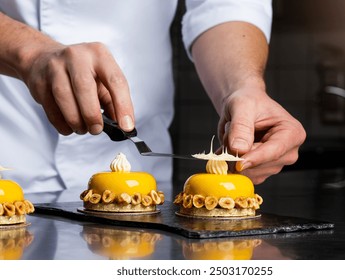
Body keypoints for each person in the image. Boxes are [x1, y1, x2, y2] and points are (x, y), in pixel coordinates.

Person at [0, 0, 305, 198]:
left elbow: (224, 6)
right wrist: (27, 50)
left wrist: (243, 86)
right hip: (10, 150)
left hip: (140, 188)